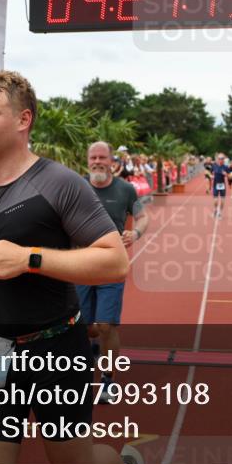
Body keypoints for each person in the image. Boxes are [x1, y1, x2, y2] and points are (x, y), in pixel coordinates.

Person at [0, 70, 148, 464]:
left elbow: (114, 262)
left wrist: (29, 259)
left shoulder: (59, 183)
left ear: (23, 120)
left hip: (56, 347)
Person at [77, 141, 149, 405]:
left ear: (111, 161)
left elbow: (142, 217)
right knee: (86, 327)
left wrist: (136, 232)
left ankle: (107, 380)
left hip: (111, 266)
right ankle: (94, 348)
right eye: (93, 157)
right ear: (87, 160)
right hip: (79, 266)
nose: (97, 161)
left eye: (102, 157)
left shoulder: (125, 189)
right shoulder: (76, 186)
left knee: (106, 325)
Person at [210, 153, 232, 218]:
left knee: (222, 200)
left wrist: (226, 175)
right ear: (217, 159)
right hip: (215, 185)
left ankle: (220, 212)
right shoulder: (214, 166)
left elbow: (230, 177)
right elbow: (210, 174)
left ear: (224, 159)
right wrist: (211, 176)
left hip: (222, 185)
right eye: (219, 158)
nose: (221, 160)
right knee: (216, 200)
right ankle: (215, 210)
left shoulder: (226, 167)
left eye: (222, 158)